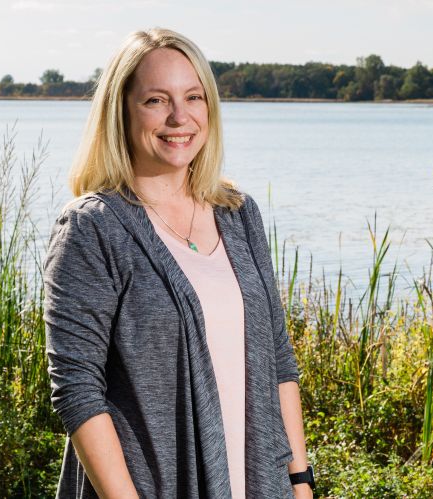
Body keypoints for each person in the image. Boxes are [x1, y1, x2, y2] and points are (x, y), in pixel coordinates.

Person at [44, 27, 313, 499]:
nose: (179, 117)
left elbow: (278, 361)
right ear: (121, 110)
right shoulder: (93, 229)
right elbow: (77, 390)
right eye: (156, 101)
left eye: (193, 97)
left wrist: (299, 479)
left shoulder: (238, 214)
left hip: (260, 484)